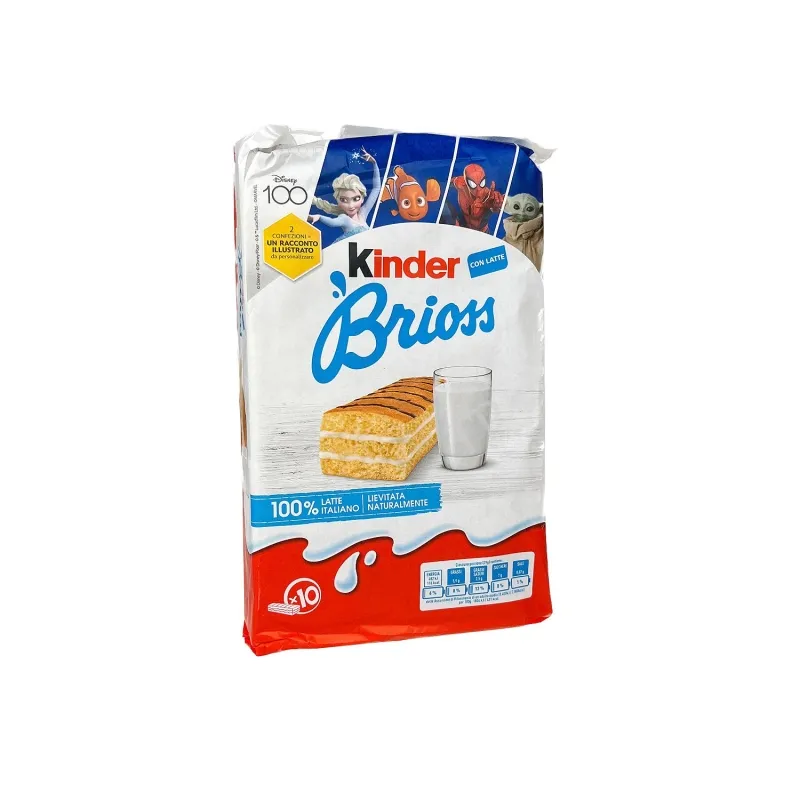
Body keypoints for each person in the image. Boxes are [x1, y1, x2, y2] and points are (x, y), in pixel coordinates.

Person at [308, 147, 380, 242]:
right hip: (350, 249)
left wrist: (374, 164)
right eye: (344, 200)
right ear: (338, 201)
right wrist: (319, 217)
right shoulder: (344, 219)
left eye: (356, 199)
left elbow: (376, 188)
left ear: (362, 198)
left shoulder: (363, 213)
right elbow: (332, 222)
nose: (351, 205)